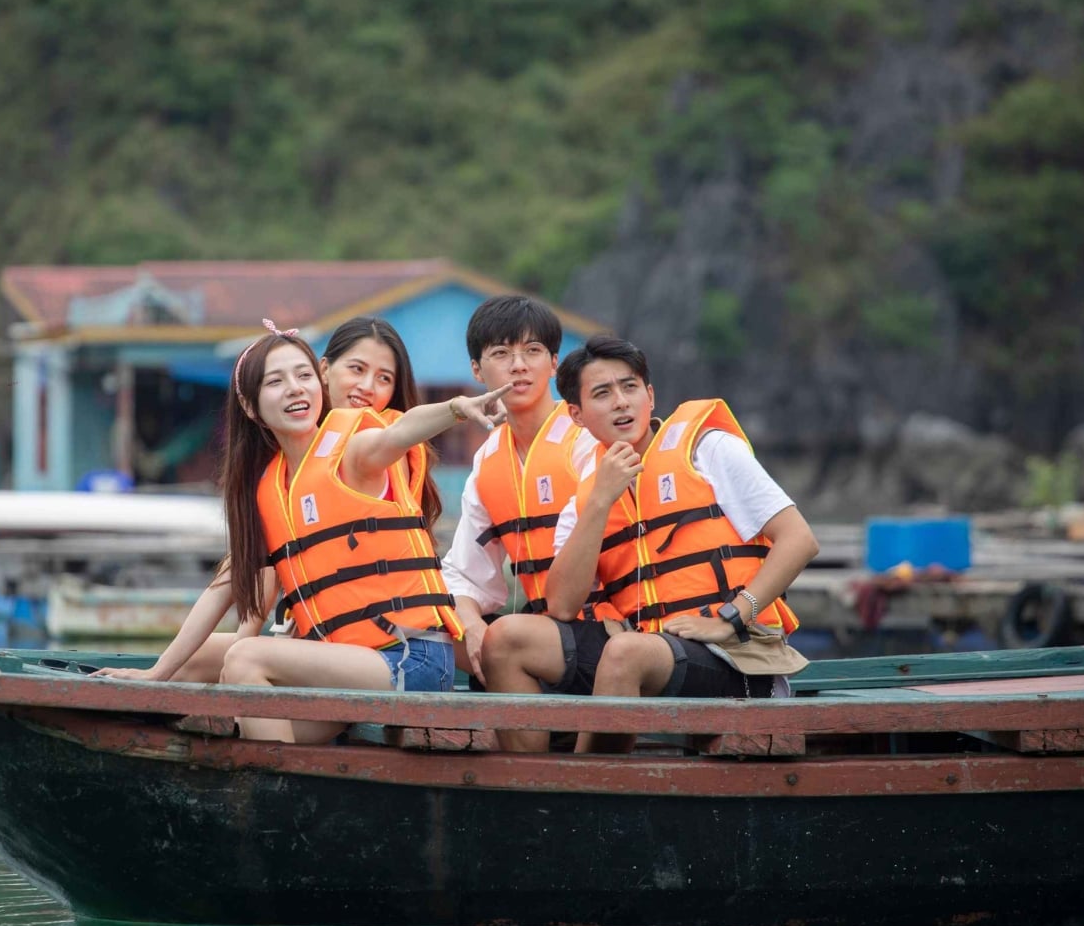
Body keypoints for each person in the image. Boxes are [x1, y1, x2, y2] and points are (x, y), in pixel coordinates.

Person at [102, 320, 510, 744]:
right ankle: (255, 751)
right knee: (201, 657)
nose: (295, 389)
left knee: (246, 657)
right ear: (250, 404)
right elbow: (223, 587)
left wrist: (457, 408)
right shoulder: (270, 486)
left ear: (318, 381)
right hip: (342, 658)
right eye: (276, 381)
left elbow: (401, 431)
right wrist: (155, 674)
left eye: (302, 376)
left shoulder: (354, 449)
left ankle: (273, 788)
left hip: (409, 658)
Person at [544, 335, 817, 753]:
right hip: (653, 649)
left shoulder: (708, 450)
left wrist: (730, 618)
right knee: (509, 638)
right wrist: (600, 501)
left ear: (650, 395)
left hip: (738, 656)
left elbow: (799, 540)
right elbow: (562, 606)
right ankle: (522, 776)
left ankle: (587, 805)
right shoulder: (586, 497)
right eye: (603, 393)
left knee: (623, 653)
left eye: (630, 387)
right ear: (576, 415)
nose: (621, 402)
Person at [440, 296, 624, 752]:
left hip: (613, 632)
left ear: (554, 363)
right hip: (545, 638)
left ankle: (527, 774)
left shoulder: (586, 439)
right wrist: (470, 624)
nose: (518, 367)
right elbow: (465, 573)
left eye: (533, 352)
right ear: (478, 371)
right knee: (426, 631)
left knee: (506, 637)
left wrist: (491, 633)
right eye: (501, 354)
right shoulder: (488, 459)